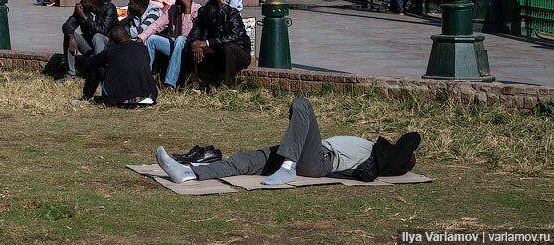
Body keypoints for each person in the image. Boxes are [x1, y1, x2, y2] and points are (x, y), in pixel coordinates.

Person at [154, 98, 417, 186]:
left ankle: (288, 168)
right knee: (245, 159)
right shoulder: (369, 149)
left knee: (302, 104)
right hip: (306, 152)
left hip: (319, 161)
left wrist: (406, 153)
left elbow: (411, 139)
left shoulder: (382, 157)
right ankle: (188, 173)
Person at [77, 24, 158, 106]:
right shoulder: (143, 48)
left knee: (97, 67)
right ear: (129, 36)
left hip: (121, 99)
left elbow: (87, 65)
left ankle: (85, 98)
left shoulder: (111, 51)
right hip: (149, 97)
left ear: (111, 42)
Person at [138, 0, 201, 88]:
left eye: (181, 4)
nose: (179, 7)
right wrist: (142, 37)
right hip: (176, 44)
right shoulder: (173, 9)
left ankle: (170, 83)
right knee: (151, 39)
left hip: (188, 47)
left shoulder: (197, 10)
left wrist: (187, 10)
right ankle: (145, 78)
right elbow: (157, 25)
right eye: (177, 3)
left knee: (180, 39)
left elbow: (186, 35)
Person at [186, 0, 252, 88]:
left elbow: (234, 36)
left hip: (239, 53)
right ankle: (194, 84)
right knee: (193, 46)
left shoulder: (232, 14)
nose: (209, 23)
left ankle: (230, 85)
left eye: (211, 21)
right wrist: (196, 44)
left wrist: (208, 43)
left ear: (217, 16)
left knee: (229, 46)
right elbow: (195, 31)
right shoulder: (202, 13)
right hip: (217, 52)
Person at [61, 0, 118, 80]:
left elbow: (102, 30)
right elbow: (68, 24)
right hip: (90, 46)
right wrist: (71, 37)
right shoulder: (82, 9)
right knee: (70, 34)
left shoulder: (109, 8)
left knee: (97, 37)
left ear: (92, 3)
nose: (80, 3)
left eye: (83, 1)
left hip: (106, 47)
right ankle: (70, 75)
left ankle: (99, 73)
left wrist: (83, 16)